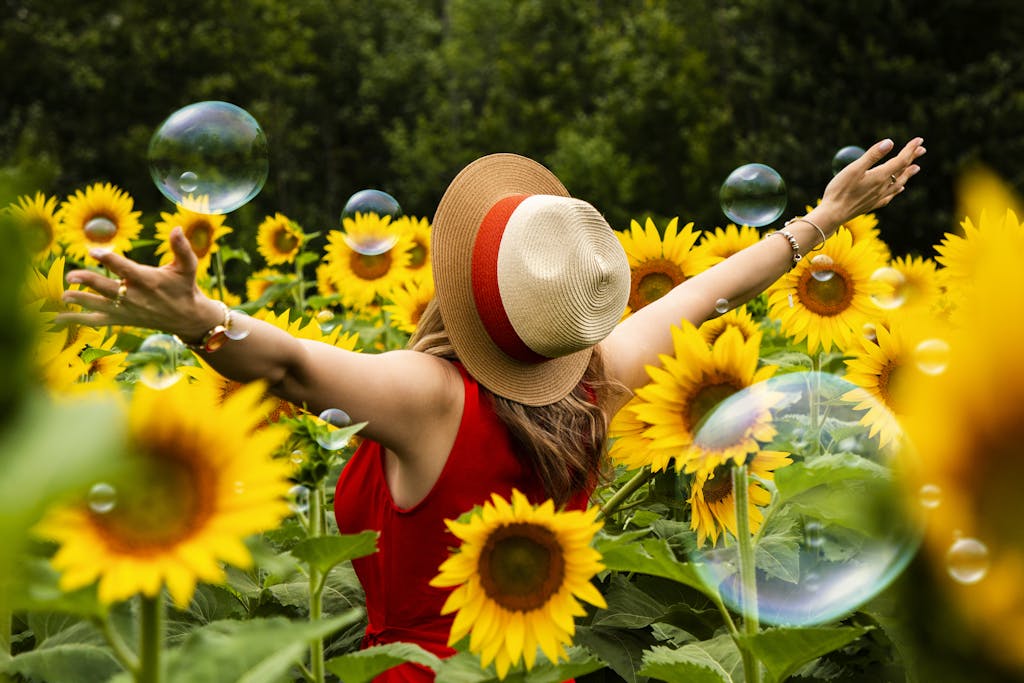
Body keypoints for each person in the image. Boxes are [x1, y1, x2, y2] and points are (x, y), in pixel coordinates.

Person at [59, 137, 925, 681]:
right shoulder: (600, 375)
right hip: (550, 668)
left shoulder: (429, 397)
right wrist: (822, 219)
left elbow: (290, 365)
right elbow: (701, 295)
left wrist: (193, 318)